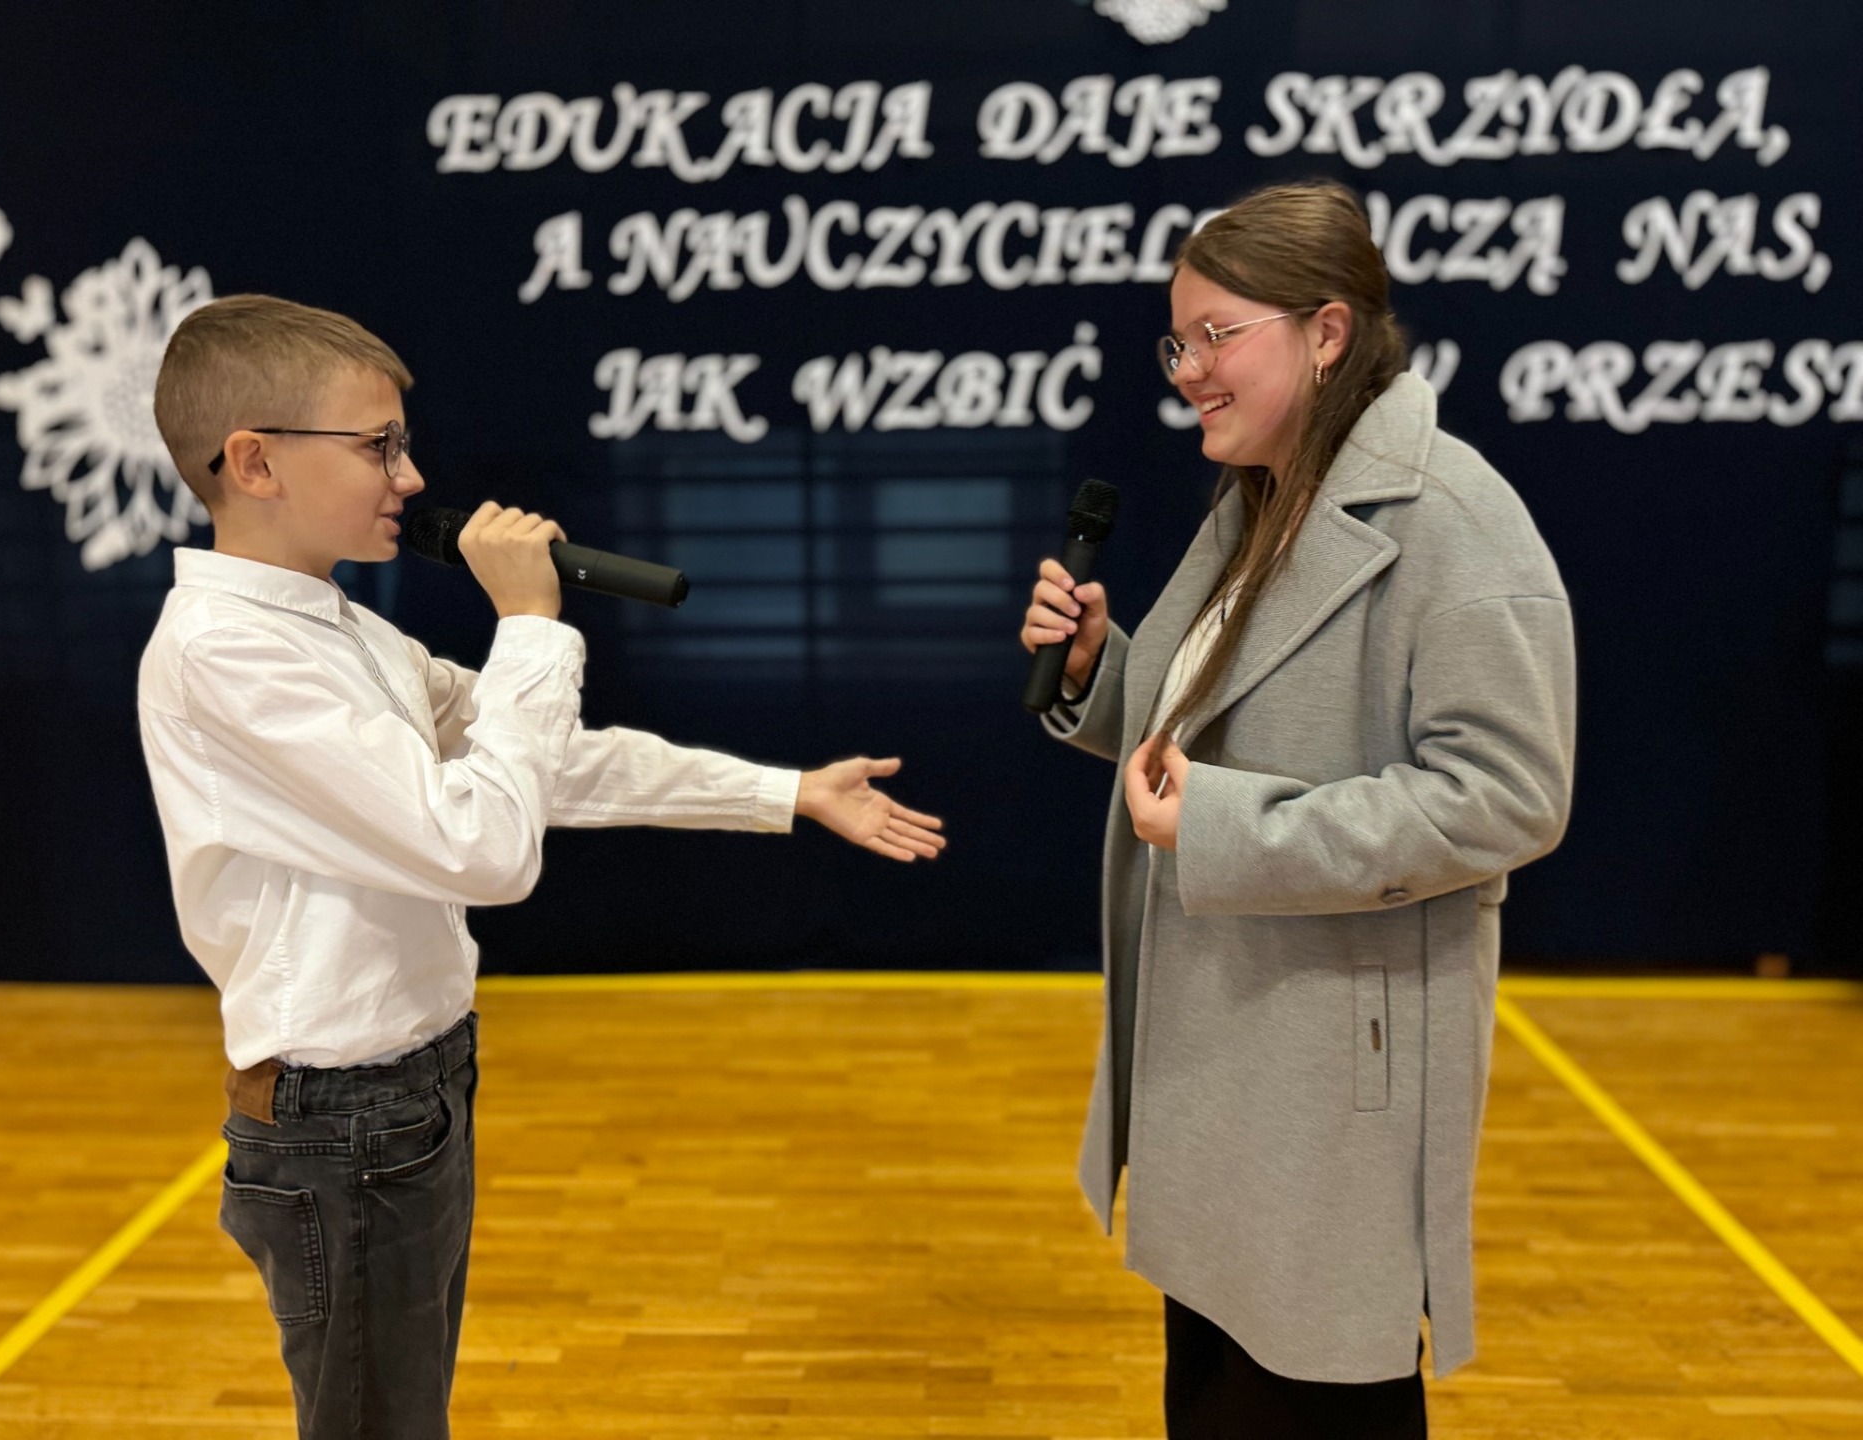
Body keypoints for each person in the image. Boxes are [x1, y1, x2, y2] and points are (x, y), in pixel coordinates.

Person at [137, 294, 945, 1440]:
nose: (411, 477)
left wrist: (784, 792)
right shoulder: (227, 655)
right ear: (255, 461)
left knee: (403, 1413)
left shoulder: (340, 631)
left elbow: (540, 763)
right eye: (378, 446)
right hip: (342, 1119)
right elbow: (483, 846)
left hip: (414, 1091)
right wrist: (529, 623)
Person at [1020, 182, 1574, 1439]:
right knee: (1220, 1392)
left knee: (1315, 1395)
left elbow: (1510, 796)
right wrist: (1103, 673)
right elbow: (1222, 731)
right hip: (1233, 1046)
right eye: (1178, 342)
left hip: (1328, 1068)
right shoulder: (1268, 497)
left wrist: (1226, 827)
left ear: (1326, 333)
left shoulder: (1456, 523)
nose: (1188, 373)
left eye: (1217, 336)